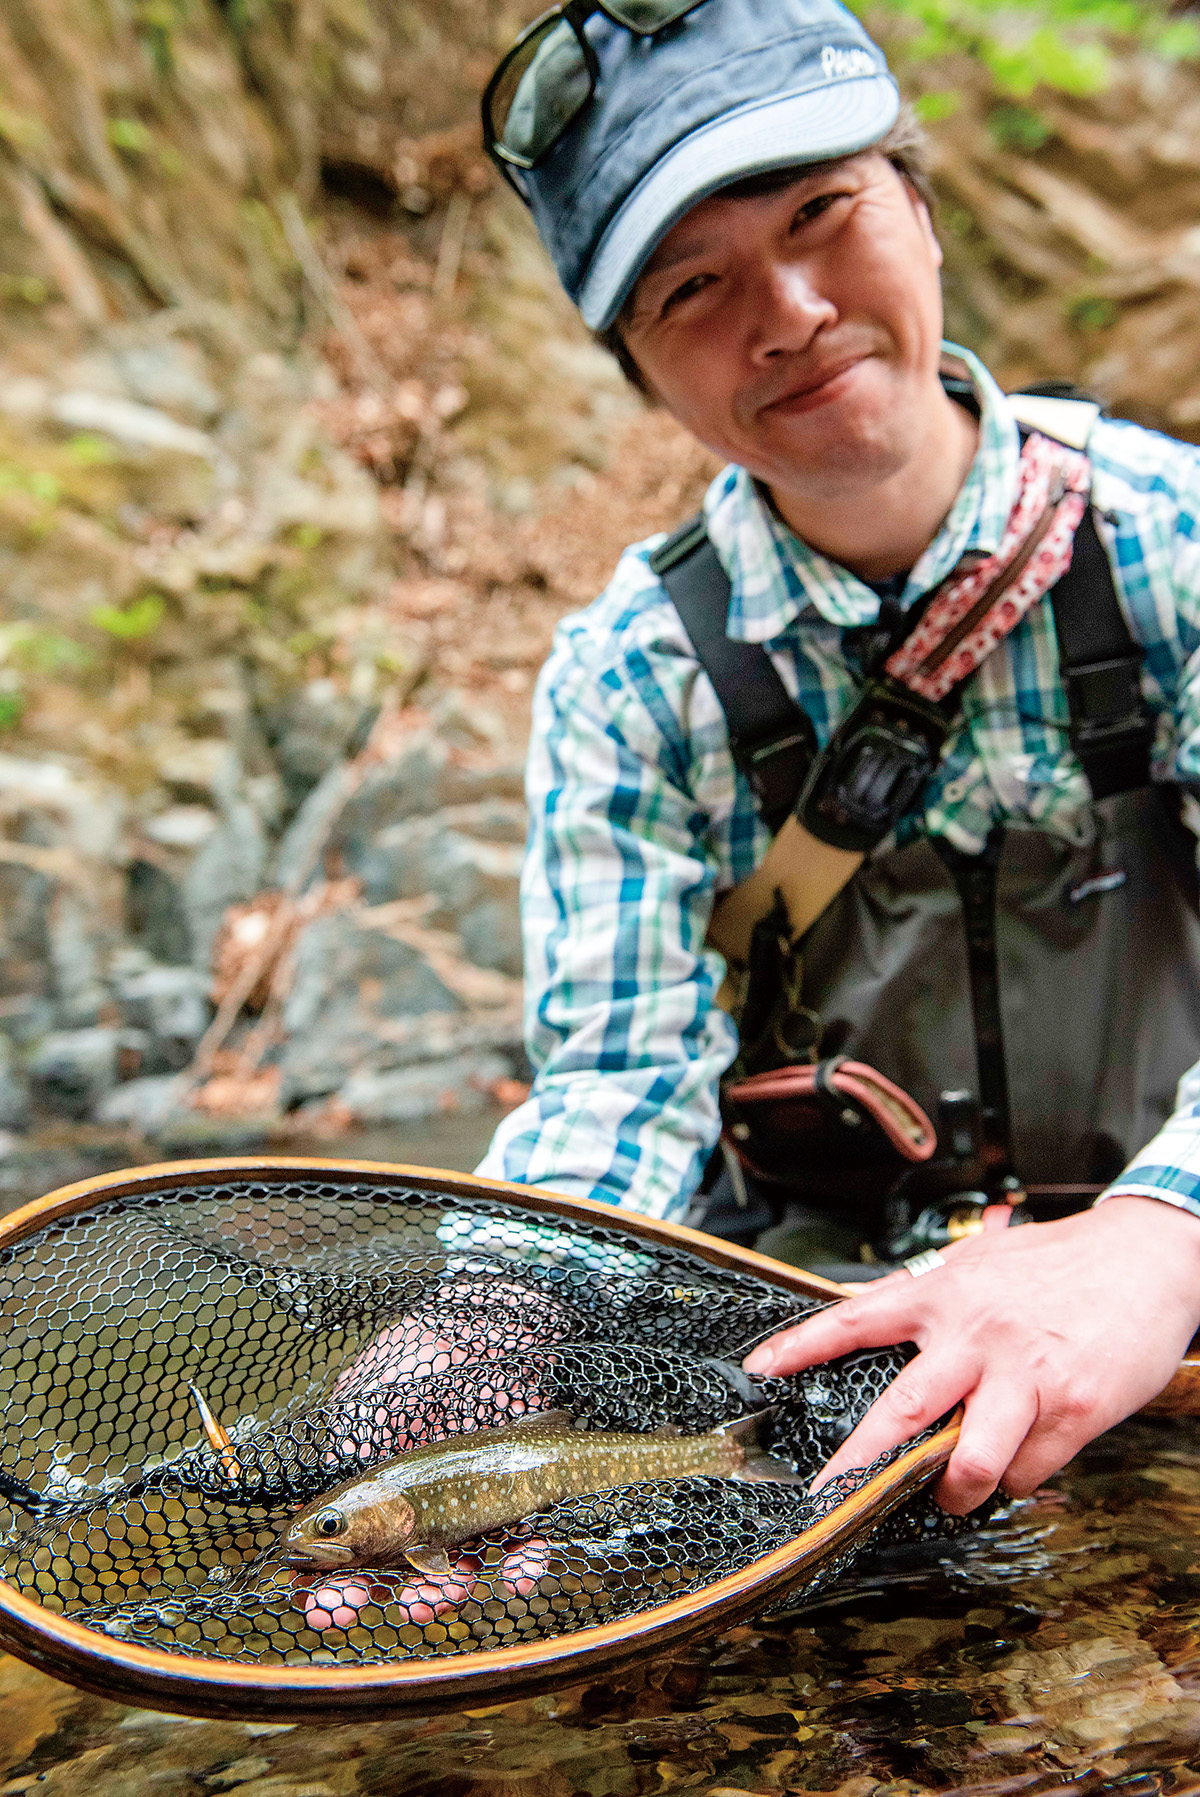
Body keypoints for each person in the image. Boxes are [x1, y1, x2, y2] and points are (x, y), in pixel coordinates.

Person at [473, 0, 1200, 1515]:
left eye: (823, 210)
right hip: (819, 1383)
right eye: (694, 287)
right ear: (644, 376)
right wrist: (483, 1334)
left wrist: (1157, 1236)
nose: (792, 310)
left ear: (923, 215)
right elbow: (614, 1092)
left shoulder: (1170, 547)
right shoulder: (631, 679)